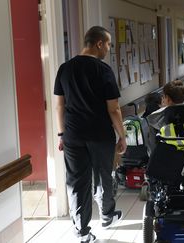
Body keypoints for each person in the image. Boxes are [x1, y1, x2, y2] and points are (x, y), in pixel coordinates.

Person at [54, 26, 127, 243]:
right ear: (99, 44)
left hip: (73, 135)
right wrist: (122, 135)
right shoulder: (103, 70)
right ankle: (106, 215)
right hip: (99, 134)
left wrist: (61, 134)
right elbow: (113, 108)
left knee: (77, 181)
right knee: (103, 174)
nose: (108, 48)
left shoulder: (65, 69)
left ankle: (82, 232)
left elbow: (59, 106)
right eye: (108, 44)